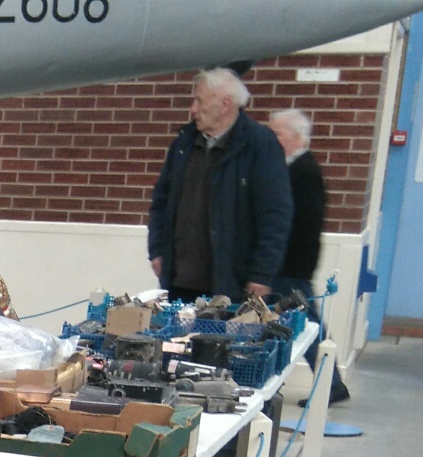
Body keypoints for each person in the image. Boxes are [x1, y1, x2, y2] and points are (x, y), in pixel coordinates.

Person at [146, 69, 293, 305]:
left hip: (230, 287)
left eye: (200, 101)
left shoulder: (259, 146)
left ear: (225, 105)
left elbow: (275, 216)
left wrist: (261, 275)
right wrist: (157, 251)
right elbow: (161, 202)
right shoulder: (183, 144)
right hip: (178, 282)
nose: (193, 109)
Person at [266, 108, 351, 405]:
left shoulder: (303, 172)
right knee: (291, 323)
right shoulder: (293, 169)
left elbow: (299, 225)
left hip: (290, 265)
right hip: (288, 264)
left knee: (307, 326)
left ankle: (332, 384)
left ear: (297, 137)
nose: (272, 139)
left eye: (277, 133)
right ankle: (328, 383)